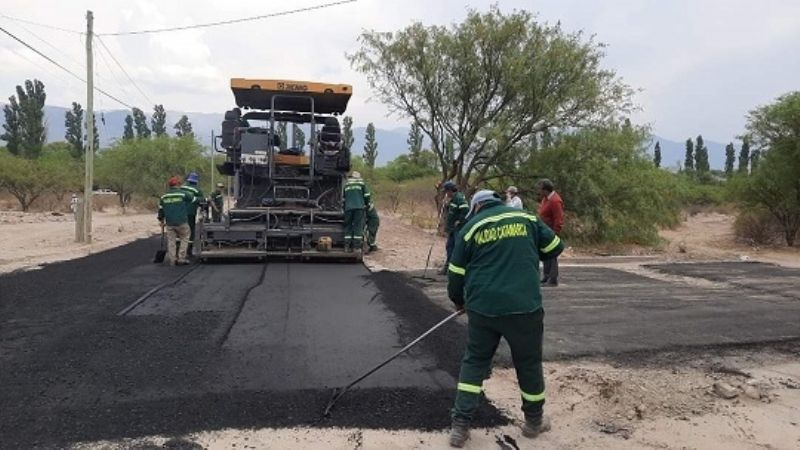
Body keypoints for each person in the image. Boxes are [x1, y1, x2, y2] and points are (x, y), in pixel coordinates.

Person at [447, 190, 563, 448]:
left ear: (477, 207)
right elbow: (556, 246)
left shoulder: (471, 228)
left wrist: (458, 301)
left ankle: (460, 426)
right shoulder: (528, 219)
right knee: (528, 363)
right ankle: (534, 422)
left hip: (483, 309)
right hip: (524, 308)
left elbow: (455, 272)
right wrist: (529, 251)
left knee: (475, 362)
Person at [157, 176, 195, 266]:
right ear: (177, 184)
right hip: (182, 221)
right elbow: (191, 198)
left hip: (169, 223)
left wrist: (161, 220)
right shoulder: (182, 194)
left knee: (171, 241)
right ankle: (181, 258)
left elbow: (161, 210)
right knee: (185, 238)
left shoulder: (163, 197)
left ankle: (172, 260)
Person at [537, 179, 564, 287]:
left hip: (551, 232)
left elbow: (559, 218)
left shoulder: (555, 201)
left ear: (545, 190)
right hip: (544, 232)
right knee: (546, 253)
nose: (538, 191)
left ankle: (553, 279)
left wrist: (555, 232)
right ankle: (546, 276)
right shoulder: (545, 199)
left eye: (540, 189)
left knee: (552, 255)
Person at [439, 181, 469, 275]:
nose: (446, 193)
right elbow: (451, 211)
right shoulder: (452, 199)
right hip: (452, 229)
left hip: (458, 229)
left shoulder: (459, 198)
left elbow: (466, 209)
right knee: (449, 247)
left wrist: (459, 220)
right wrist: (447, 205)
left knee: (457, 248)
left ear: (451, 190)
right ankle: (447, 268)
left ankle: (456, 270)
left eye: (447, 191)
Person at [179, 172, 206, 256]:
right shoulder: (197, 190)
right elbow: (202, 201)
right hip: (190, 213)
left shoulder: (181, 188)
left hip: (179, 213)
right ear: (196, 181)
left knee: (179, 230)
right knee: (190, 230)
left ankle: (178, 249)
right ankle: (188, 250)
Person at [343, 171, 371, 252]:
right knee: (358, 226)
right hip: (359, 208)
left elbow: (344, 198)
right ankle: (356, 247)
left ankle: (347, 247)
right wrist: (367, 204)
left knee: (348, 225)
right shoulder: (361, 184)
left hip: (348, 208)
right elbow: (367, 195)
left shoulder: (346, 185)